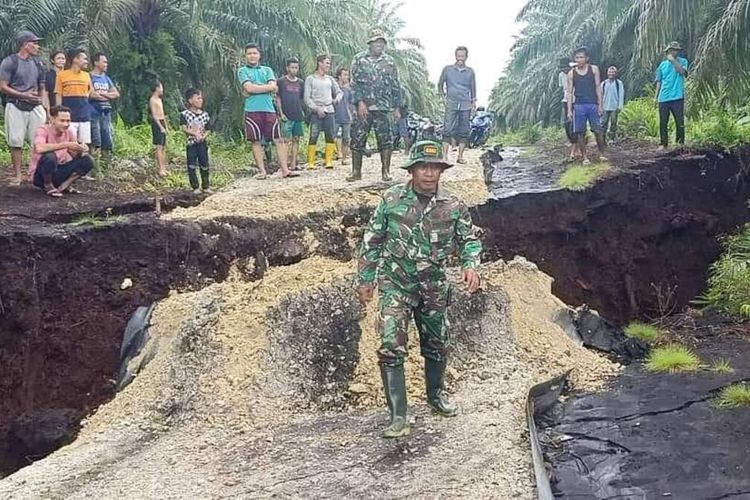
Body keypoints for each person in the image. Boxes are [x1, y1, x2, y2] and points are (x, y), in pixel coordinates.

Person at [357, 140, 482, 438]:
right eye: (423, 167)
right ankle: (399, 415)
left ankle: (436, 397)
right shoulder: (391, 200)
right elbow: (371, 240)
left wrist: (470, 264)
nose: (429, 173)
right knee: (390, 346)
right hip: (396, 284)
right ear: (412, 170)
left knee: (437, 343)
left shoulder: (453, 205)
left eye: (435, 167)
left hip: (433, 287)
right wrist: (365, 279)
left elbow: (470, 240)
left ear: (441, 171)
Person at [349, 29, 403, 182]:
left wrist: (397, 107)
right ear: (370, 43)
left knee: (385, 140)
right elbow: (355, 84)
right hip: (364, 107)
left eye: (382, 42)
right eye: (376, 42)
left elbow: (395, 85)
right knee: (358, 138)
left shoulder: (390, 61)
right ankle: (356, 172)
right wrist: (359, 102)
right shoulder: (359, 59)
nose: (379, 44)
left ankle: (385, 172)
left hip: (383, 107)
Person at [237, 43, 294, 179]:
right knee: (255, 141)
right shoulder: (242, 71)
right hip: (252, 110)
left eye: (254, 53)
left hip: (269, 110)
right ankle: (262, 171)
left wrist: (257, 88)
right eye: (249, 53)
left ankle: (285, 170)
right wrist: (266, 87)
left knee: (278, 139)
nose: (252, 56)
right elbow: (249, 88)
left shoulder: (267, 70)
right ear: (245, 56)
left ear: (259, 55)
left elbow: (274, 88)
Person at [0, 30, 48, 185]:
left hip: (35, 105)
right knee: (15, 140)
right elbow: (3, 86)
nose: (37, 46)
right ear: (25, 44)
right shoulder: (10, 61)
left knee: (39, 140)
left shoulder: (39, 63)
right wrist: (23, 95)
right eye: (34, 43)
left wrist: (43, 104)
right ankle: (18, 175)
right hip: (16, 104)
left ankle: (35, 173)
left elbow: (42, 86)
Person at [29, 105, 94, 197]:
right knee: (50, 156)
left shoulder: (70, 131)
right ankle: (48, 185)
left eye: (68, 121)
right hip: (40, 175)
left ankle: (65, 184)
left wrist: (80, 149)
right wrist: (65, 144)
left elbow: (74, 156)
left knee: (88, 160)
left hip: (59, 170)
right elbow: (39, 148)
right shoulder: (43, 130)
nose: (66, 124)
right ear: (52, 119)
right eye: (62, 121)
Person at [567, 47, 607, 164]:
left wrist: (600, 104)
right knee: (580, 132)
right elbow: (569, 92)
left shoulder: (593, 69)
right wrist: (569, 110)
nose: (579, 59)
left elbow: (598, 86)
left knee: (598, 130)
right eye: (577, 57)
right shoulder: (571, 73)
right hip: (579, 105)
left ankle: (602, 154)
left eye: (581, 57)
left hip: (592, 104)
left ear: (586, 58)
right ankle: (585, 157)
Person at [437, 46, 477, 164]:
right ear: (455, 56)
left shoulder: (470, 71)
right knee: (447, 129)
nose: (460, 59)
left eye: (462, 57)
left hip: (465, 104)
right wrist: (443, 97)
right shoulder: (447, 69)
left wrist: (473, 102)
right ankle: (444, 157)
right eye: (458, 56)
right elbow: (440, 84)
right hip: (451, 103)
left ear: (466, 57)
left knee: (464, 130)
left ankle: (460, 157)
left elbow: (473, 88)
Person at [304, 55, 342, 169]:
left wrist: (337, 99)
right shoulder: (310, 79)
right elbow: (307, 98)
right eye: (326, 63)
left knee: (330, 135)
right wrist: (316, 108)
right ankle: (311, 162)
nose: (328, 66)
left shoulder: (330, 79)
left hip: (329, 109)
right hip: (316, 110)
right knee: (313, 135)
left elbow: (339, 92)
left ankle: (328, 161)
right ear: (319, 63)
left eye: (329, 63)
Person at [55, 49, 93, 146]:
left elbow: (91, 92)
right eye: (84, 59)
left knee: (84, 144)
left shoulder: (86, 75)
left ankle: (83, 161)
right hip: (69, 117)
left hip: (84, 115)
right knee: (70, 143)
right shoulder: (62, 75)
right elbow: (58, 95)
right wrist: (58, 114)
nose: (86, 61)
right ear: (75, 59)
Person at [655, 41, 688, 150]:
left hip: (677, 96)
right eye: (672, 50)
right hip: (663, 97)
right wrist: (656, 97)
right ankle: (663, 144)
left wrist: (673, 61)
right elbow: (659, 81)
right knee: (663, 122)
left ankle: (680, 143)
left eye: (676, 50)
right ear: (668, 51)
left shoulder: (683, 61)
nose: (674, 51)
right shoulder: (662, 65)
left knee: (679, 121)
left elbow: (682, 72)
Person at [276, 57, 305, 170]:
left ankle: (293, 163)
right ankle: (284, 165)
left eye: (296, 68)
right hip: (286, 115)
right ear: (287, 68)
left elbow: (301, 99)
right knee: (285, 140)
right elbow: (278, 98)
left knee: (296, 139)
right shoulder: (281, 81)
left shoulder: (301, 82)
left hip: (297, 114)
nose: (294, 70)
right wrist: (281, 113)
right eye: (292, 67)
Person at [180, 88, 211, 194]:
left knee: (204, 164)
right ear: (190, 101)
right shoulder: (185, 114)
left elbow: (208, 129)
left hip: (202, 143)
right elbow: (183, 128)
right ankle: (195, 186)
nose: (200, 100)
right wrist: (194, 133)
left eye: (201, 98)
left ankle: (206, 186)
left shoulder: (205, 115)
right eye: (198, 98)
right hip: (191, 143)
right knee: (191, 165)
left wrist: (203, 136)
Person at [89, 53, 120, 158]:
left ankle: (106, 165)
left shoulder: (106, 78)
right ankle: (95, 166)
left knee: (107, 139)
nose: (106, 64)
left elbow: (116, 94)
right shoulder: (89, 76)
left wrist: (102, 94)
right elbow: (91, 94)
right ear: (96, 62)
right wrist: (107, 96)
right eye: (104, 61)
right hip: (93, 112)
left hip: (106, 113)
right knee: (95, 140)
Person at [558, 59, 579, 160]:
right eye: (562, 68)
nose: (563, 70)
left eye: (565, 68)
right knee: (567, 125)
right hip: (566, 101)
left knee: (574, 125)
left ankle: (573, 151)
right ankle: (574, 144)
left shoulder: (576, 73)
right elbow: (563, 88)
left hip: (576, 101)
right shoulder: (561, 75)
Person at [334, 66, 354, 166]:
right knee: (332, 137)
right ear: (339, 76)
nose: (346, 77)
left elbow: (350, 103)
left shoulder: (348, 90)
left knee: (346, 138)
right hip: (335, 116)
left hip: (346, 116)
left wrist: (351, 114)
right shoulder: (334, 88)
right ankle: (337, 154)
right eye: (344, 74)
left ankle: (344, 158)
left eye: (347, 75)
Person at [149, 80, 168, 176]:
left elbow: (163, 114)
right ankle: (160, 169)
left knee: (164, 147)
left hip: (162, 122)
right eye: (161, 87)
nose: (162, 89)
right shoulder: (152, 100)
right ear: (157, 88)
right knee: (159, 147)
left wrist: (166, 126)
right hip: (157, 124)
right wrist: (160, 127)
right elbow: (154, 115)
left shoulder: (160, 100)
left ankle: (164, 167)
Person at [601, 66, 624, 143]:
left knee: (613, 123)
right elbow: (600, 95)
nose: (611, 73)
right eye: (610, 72)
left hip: (614, 106)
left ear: (615, 73)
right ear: (607, 73)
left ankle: (611, 138)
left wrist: (620, 106)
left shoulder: (618, 83)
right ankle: (602, 138)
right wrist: (599, 106)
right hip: (605, 106)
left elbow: (621, 94)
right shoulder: (603, 83)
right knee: (603, 123)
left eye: (613, 72)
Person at [45, 50, 66, 116]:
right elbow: (45, 94)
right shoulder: (47, 75)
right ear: (52, 60)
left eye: (63, 58)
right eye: (58, 58)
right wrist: (48, 112)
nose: (61, 60)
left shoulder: (68, 75)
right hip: (52, 109)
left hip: (68, 109)